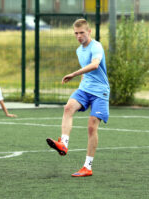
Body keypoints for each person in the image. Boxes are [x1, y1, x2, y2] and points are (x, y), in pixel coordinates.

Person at [46, 19, 110, 177]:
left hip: (100, 91)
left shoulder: (96, 46)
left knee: (91, 127)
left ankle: (87, 166)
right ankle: (63, 144)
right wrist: (80, 84)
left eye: (82, 32)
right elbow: (87, 72)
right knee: (68, 108)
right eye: (76, 33)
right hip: (85, 89)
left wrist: (74, 74)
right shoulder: (79, 50)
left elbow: (95, 65)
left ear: (89, 32)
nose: (79, 36)